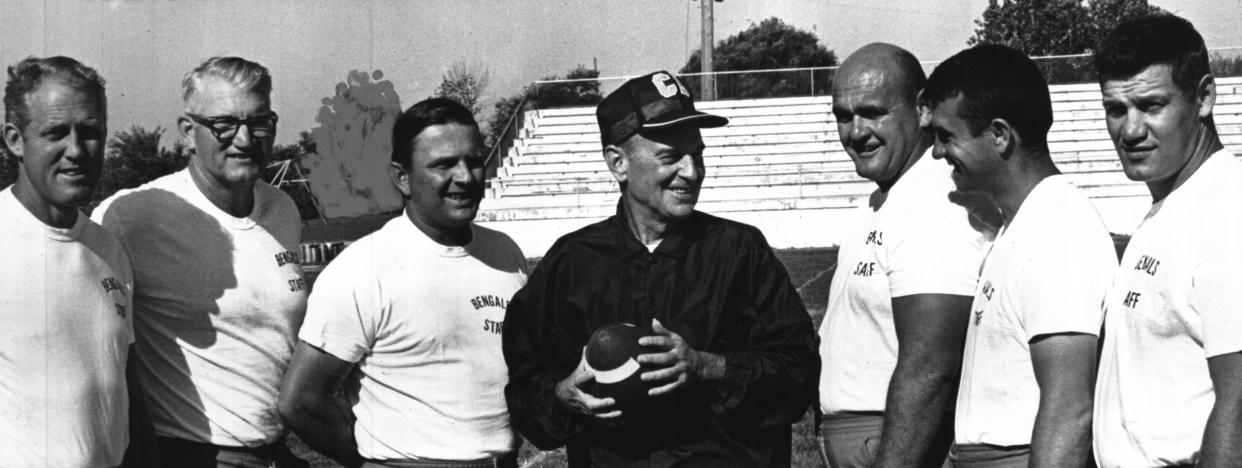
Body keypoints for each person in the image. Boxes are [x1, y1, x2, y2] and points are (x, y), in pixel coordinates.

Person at [502, 70, 819, 467]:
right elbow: (527, 388)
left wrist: (709, 367)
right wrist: (564, 394)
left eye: (698, 154)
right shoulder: (571, 263)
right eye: (671, 157)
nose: (692, 171)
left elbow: (799, 372)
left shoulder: (740, 251)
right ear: (618, 163)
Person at [278, 98, 527, 468]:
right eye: (443, 165)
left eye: (474, 161)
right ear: (402, 177)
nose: (465, 177)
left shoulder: (505, 253)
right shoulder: (363, 269)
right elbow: (300, 401)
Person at [93, 56, 307, 467]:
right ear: (188, 133)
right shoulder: (133, 214)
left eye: (259, 122)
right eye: (224, 124)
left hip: (275, 452)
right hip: (189, 454)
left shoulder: (282, 208)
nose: (245, 139)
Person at [922, 44, 1116, 468]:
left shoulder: (1058, 229)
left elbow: (1069, 410)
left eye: (946, 136)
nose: (937, 153)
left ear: (999, 135)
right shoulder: (1023, 223)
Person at [817, 43, 993, 468]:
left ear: (923, 109)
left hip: (895, 445)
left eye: (873, 112)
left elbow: (930, 367)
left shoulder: (934, 200)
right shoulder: (886, 199)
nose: (855, 131)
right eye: (843, 116)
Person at [1092, 14, 1242, 467]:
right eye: (1116, 110)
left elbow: (1239, 404)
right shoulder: (1171, 205)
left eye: (1151, 105)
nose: (1130, 130)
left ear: (1203, 98)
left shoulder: (1225, 210)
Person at [0, 55, 157, 467]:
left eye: (90, 132)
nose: (76, 150)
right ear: (15, 140)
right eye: (55, 133)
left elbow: (125, 390)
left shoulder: (107, 248)